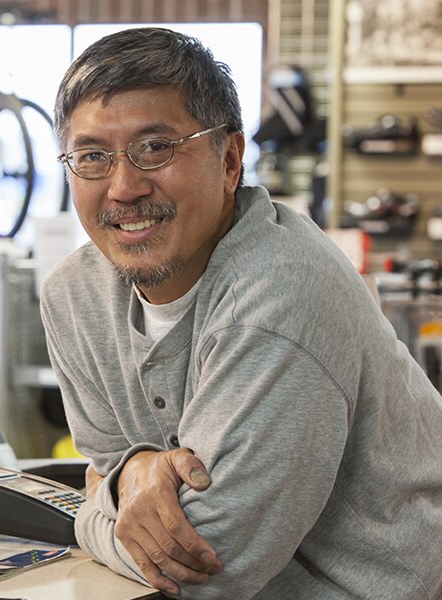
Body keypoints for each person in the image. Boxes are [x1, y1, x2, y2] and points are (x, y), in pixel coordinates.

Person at [39, 27, 442, 599]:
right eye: (92, 157)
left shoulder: (281, 294)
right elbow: (112, 470)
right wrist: (132, 474)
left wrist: (86, 517)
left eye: (155, 148)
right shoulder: (73, 299)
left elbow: (210, 563)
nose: (124, 186)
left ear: (229, 159)